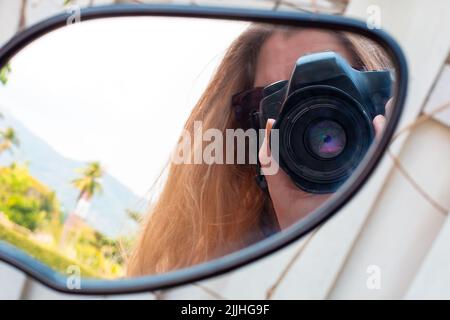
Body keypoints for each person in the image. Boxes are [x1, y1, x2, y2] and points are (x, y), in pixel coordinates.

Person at [127, 24, 392, 276]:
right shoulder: (222, 271)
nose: (305, 122)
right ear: (248, 134)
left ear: (384, 107)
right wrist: (302, 239)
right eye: (269, 102)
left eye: (334, 93)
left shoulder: (423, 232)